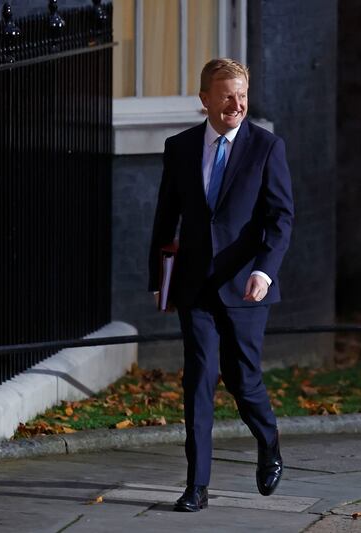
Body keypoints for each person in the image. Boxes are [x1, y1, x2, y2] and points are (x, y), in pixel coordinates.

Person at [148, 58, 294, 512]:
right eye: (227, 95)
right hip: (195, 286)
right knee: (198, 380)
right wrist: (159, 280)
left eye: (243, 96)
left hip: (246, 285)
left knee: (242, 379)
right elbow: (165, 216)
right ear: (205, 98)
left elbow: (280, 218)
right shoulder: (180, 147)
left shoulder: (266, 148)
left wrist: (264, 271)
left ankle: (268, 442)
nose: (236, 104)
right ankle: (197, 486)